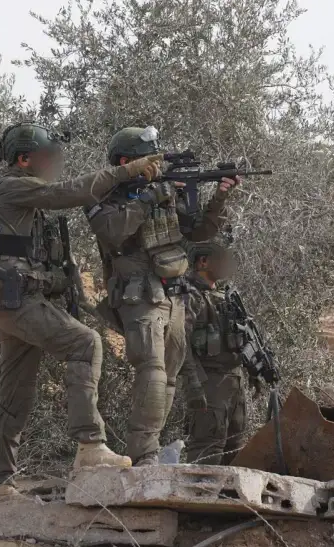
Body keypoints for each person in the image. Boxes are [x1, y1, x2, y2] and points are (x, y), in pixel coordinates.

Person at [0, 122, 164, 498]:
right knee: (85, 344)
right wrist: (127, 171)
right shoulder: (14, 186)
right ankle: (90, 446)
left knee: (15, 393)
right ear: (24, 159)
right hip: (15, 300)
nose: (52, 164)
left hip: (8, 302)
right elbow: (70, 192)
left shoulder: (12, 192)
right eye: (46, 158)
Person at [86, 126, 239, 466]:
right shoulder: (103, 196)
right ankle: (143, 456)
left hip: (172, 295)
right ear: (125, 162)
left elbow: (199, 231)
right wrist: (152, 196)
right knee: (152, 371)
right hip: (136, 294)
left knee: (168, 376)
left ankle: (147, 450)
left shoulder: (161, 191)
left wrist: (220, 196)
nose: (155, 164)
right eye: (147, 157)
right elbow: (113, 232)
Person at [181, 239, 251, 465]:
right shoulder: (190, 298)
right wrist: (193, 383)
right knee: (207, 449)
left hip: (234, 382)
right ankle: (200, 496)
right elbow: (180, 343)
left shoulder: (224, 298)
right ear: (203, 262)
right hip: (209, 382)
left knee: (235, 448)